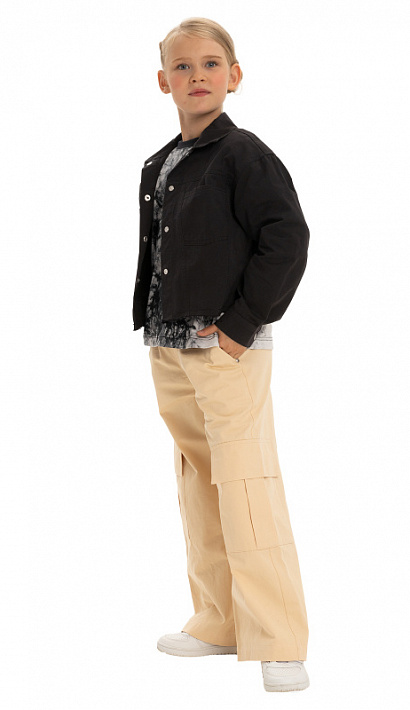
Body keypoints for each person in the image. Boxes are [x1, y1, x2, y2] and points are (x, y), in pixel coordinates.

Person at [132, 17, 311, 693]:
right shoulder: (160, 164)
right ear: (163, 82)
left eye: (210, 64)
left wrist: (239, 327)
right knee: (199, 485)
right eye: (182, 67)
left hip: (226, 349)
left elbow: (286, 239)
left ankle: (279, 639)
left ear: (234, 77)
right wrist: (155, 329)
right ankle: (218, 619)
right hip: (171, 345)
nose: (196, 76)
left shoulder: (244, 155)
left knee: (246, 486)